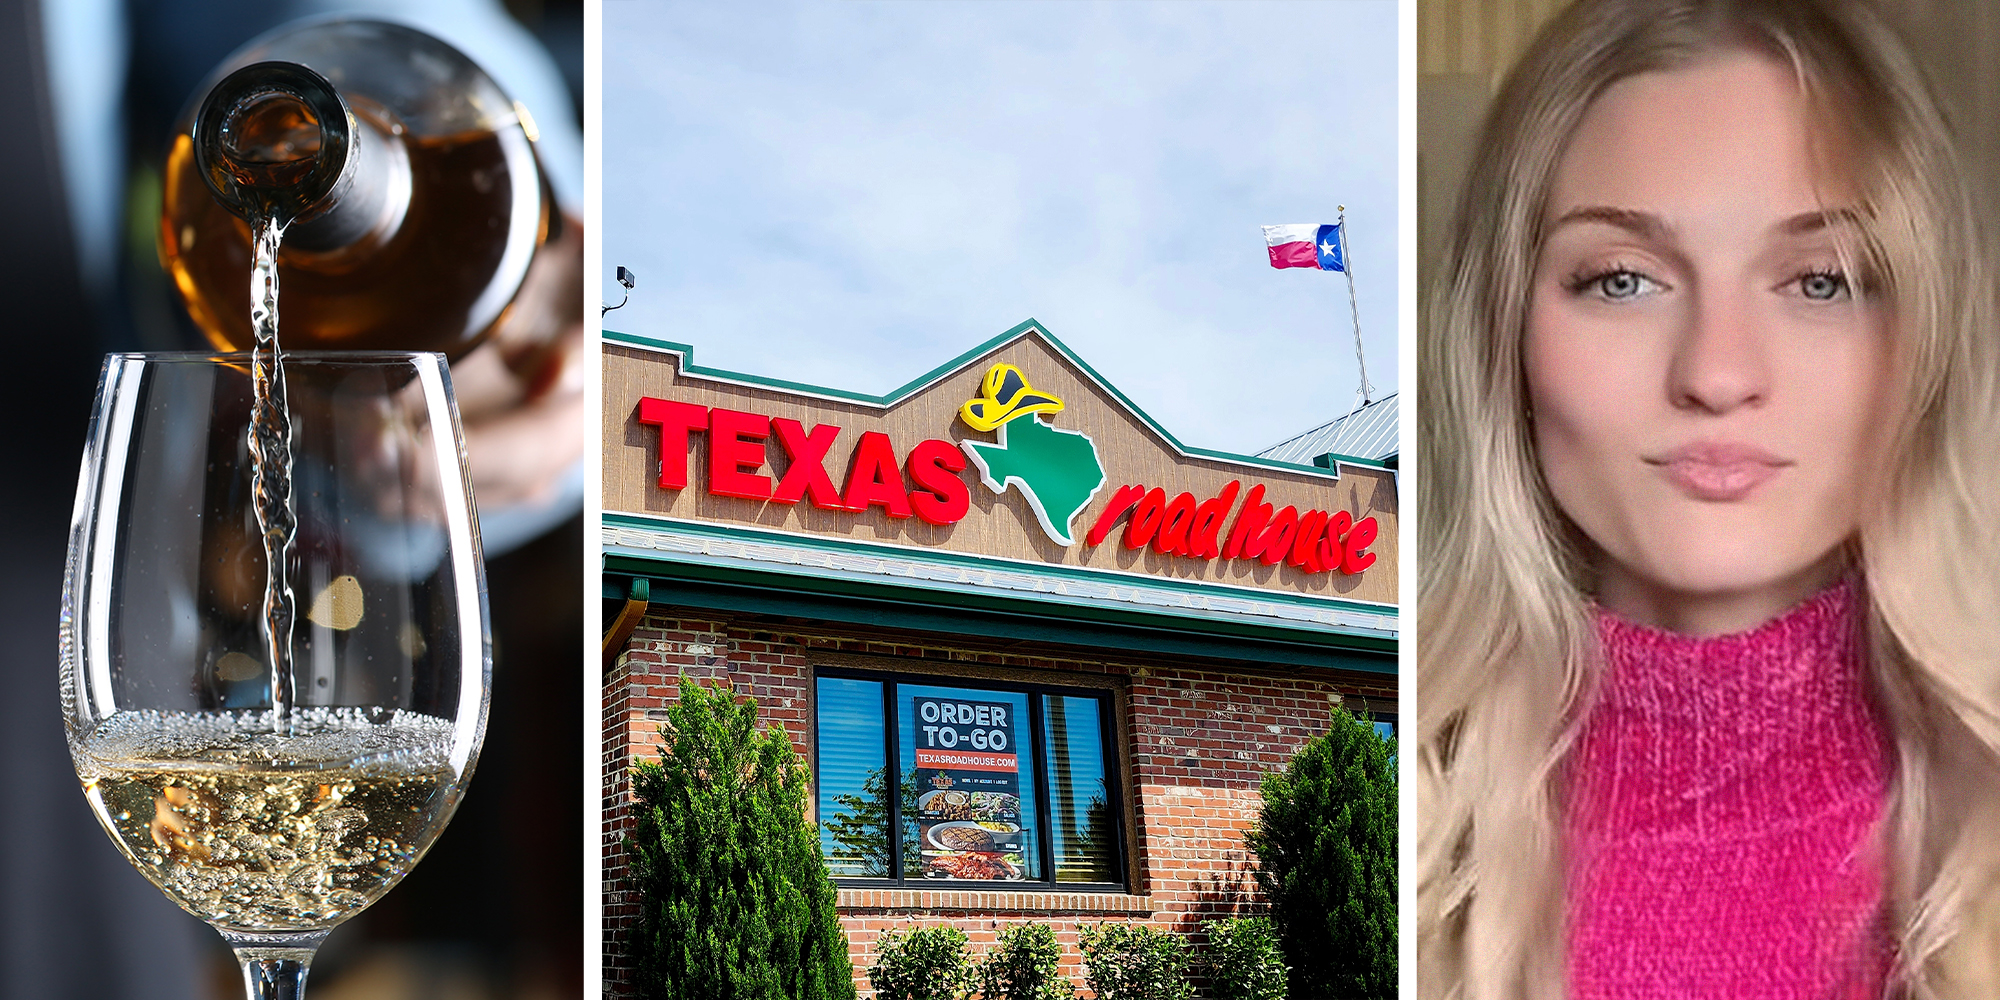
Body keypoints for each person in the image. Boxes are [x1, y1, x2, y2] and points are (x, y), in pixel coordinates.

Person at [1416, 0, 2000, 996]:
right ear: (1501, 337)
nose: (1716, 372)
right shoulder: (1414, 839)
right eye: (1621, 280)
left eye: (1820, 280)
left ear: (1926, 336)